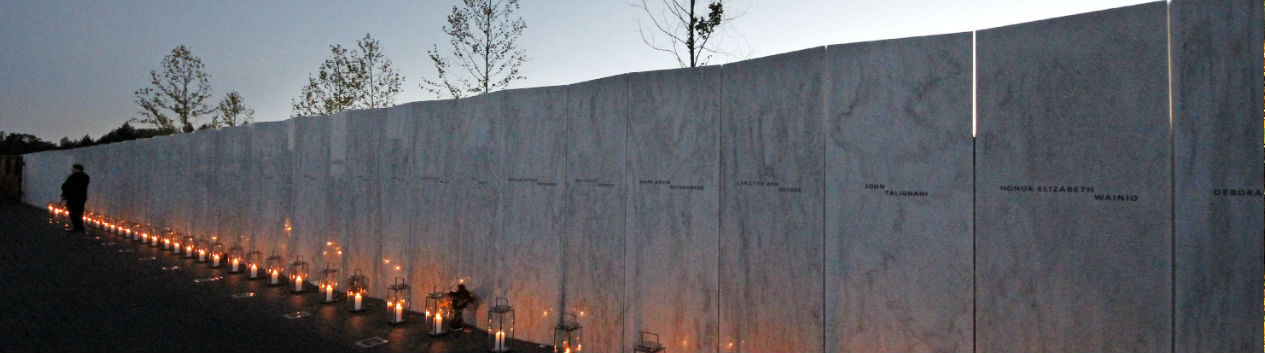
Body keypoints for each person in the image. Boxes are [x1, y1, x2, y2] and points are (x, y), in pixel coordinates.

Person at [60, 164, 90, 232]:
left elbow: (65, 186)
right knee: (79, 211)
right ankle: (80, 227)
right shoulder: (86, 177)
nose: (72, 170)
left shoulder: (73, 177)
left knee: (73, 212)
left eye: (73, 168)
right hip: (81, 197)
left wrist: (65, 193)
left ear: (77, 169)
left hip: (72, 197)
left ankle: (77, 227)